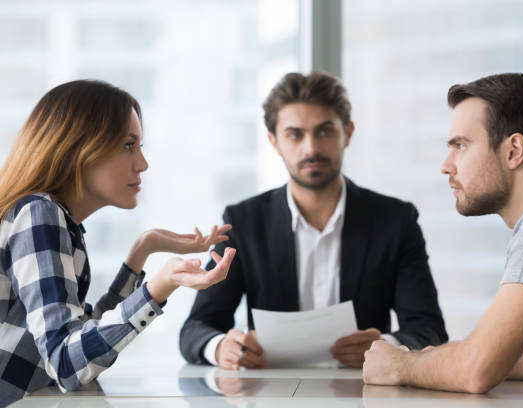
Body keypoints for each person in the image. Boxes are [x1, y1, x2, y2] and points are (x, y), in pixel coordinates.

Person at [362, 73, 523, 408]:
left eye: (460, 145)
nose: (445, 166)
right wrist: (452, 358)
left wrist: (399, 364)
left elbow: (475, 372)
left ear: (513, 151)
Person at [180, 71, 447, 370]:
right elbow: (196, 328)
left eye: (324, 131)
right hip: (271, 396)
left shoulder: (395, 221)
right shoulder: (243, 222)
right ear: (274, 141)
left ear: (348, 133)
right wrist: (221, 349)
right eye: (295, 134)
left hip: (364, 393)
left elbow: (429, 329)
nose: (311, 149)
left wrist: (387, 348)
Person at [0, 80, 236, 407]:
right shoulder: (40, 215)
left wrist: (143, 249)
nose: (142, 163)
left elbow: (77, 339)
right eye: (128, 145)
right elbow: (66, 363)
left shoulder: (56, 221)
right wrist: (159, 286)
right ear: (78, 147)